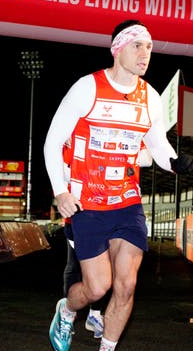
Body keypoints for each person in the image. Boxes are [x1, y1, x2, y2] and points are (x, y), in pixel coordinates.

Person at [44, 19, 193, 351]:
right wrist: (60, 191)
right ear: (118, 49)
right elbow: (53, 141)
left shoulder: (151, 97)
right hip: (87, 202)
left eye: (149, 47)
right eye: (137, 46)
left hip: (127, 201)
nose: (145, 54)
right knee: (97, 287)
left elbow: (157, 145)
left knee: (126, 284)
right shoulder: (87, 88)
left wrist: (174, 161)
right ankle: (67, 310)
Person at [62, 142, 153, 340]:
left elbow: (148, 157)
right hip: (81, 213)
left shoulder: (128, 126)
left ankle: (96, 320)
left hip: (124, 208)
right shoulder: (74, 131)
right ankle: (67, 311)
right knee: (81, 272)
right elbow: (62, 173)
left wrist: (115, 157)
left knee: (122, 279)